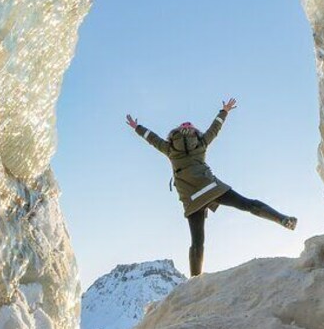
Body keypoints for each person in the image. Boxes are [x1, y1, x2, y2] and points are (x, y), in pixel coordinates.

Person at [126, 97, 297, 277]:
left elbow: (152, 138)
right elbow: (215, 129)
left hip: (191, 199)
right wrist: (224, 111)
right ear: (194, 131)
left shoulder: (169, 148)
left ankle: (194, 281)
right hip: (211, 188)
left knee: (197, 242)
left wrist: (137, 127)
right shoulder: (201, 142)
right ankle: (284, 220)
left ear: (175, 133)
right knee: (248, 204)